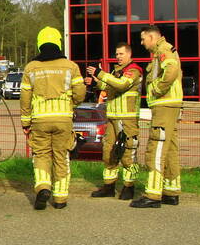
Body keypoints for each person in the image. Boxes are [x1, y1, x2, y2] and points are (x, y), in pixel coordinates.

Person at [20, 26, 86, 210]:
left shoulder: (31, 67)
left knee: (41, 155)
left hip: (39, 119)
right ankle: (60, 199)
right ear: (59, 42)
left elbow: (25, 97)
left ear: (40, 43)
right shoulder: (71, 66)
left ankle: (43, 187)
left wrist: (25, 122)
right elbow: (80, 94)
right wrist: (71, 103)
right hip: (63, 119)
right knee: (62, 156)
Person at [132, 25, 183, 208]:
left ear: (152, 37)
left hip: (164, 105)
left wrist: (156, 89)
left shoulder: (163, 50)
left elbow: (171, 71)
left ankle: (152, 195)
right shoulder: (160, 51)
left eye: (143, 38)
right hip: (169, 105)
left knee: (156, 146)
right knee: (169, 149)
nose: (141, 42)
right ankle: (171, 192)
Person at [86, 43, 143, 199]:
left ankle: (129, 187)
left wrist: (101, 73)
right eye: (117, 54)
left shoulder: (133, 70)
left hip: (127, 119)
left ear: (129, 54)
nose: (118, 57)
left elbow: (121, 85)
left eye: (121, 54)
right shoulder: (115, 71)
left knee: (128, 153)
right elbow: (108, 86)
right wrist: (95, 81)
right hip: (112, 117)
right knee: (109, 151)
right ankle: (108, 186)